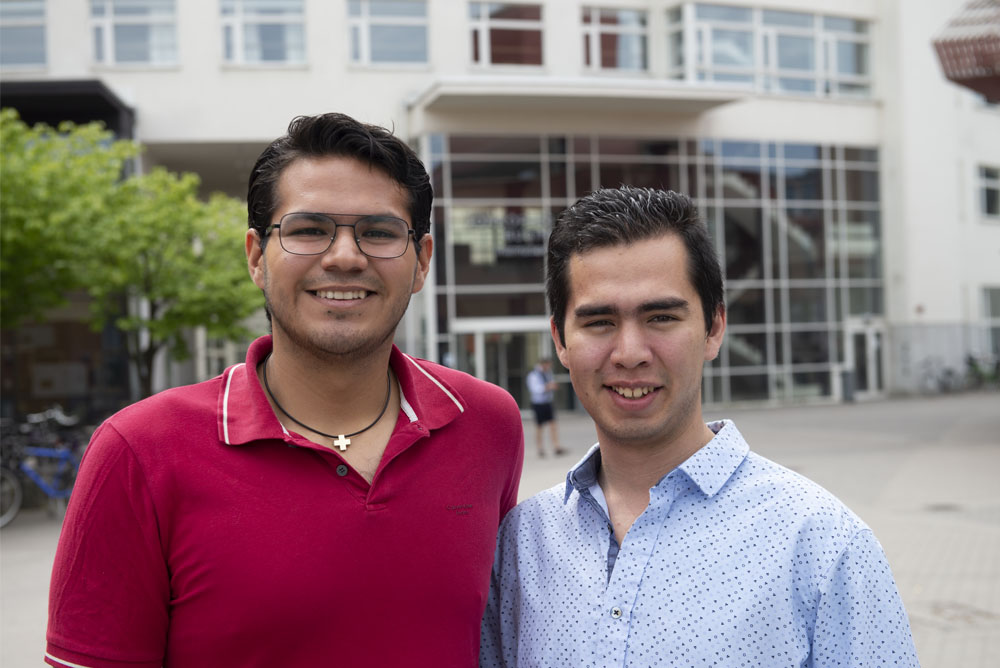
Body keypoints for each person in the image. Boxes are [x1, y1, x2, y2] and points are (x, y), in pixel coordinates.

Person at [46, 113, 524, 668]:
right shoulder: (138, 451)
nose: (345, 256)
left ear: (420, 262)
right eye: (308, 229)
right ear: (255, 256)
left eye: (378, 231)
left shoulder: (487, 423)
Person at [480, 187, 918, 666]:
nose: (630, 353)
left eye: (661, 317)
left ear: (713, 329)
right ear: (561, 341)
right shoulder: (521, 544)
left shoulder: (821, 544)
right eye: (600, 322)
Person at [525, 357, 565, 457]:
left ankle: (556, 446)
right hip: (538, 403)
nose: (549, 367)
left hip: (548, 402)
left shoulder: (548, 373)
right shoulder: (533, 375)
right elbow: (535, 389)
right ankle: (540, 448)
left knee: (553, 424)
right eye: (547, 365)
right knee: (539, 426)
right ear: (543, 364)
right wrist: (548, 387)